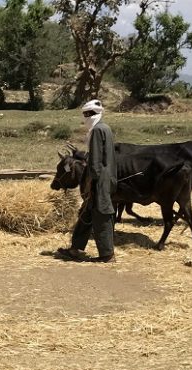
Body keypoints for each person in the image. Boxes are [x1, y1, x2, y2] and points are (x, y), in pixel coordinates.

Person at [58, 100, 117, 263]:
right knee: (87, 213)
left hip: (99, 181)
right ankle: (75, 249)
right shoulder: (106, 128)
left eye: (86, 114)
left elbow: (96, 161)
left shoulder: (98, 130)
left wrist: (91, 182)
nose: (84, 118)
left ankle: (107, 255)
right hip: (107, 177)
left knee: (101, 214)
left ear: (92, 114)